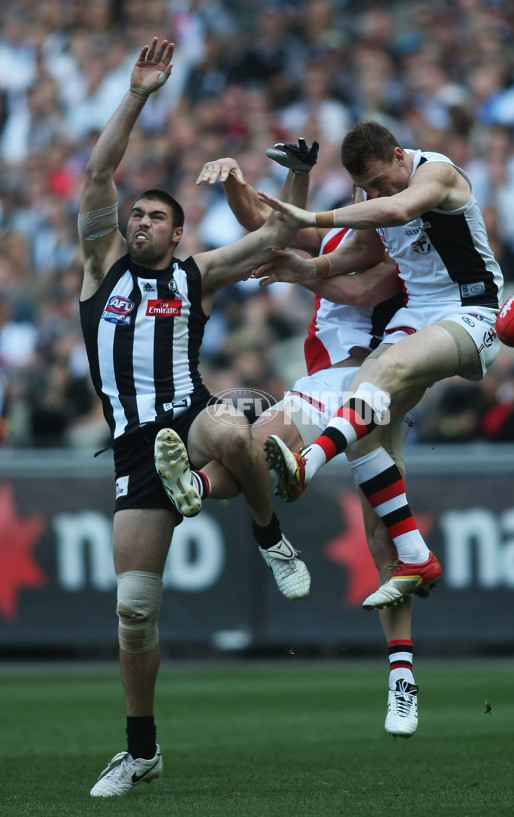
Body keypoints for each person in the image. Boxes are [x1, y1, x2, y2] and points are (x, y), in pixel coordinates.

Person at [78, 38, 315, 797]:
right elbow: (96, 172)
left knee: (234, 427)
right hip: (132, 450)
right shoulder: (100, 271)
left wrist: (298, 175)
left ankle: (270, 536)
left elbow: (280, 235)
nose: (141, 220)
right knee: (134, 613)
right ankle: (141, 750)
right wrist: (141, 93)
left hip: (191, 411)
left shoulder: (195, 272)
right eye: (136, 214)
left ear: (178, 233)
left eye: (156, 215)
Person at [195, 150, 422, 738]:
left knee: (378, 532)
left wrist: (303, 271)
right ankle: (191, 485)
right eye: (361, 187)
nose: (365, 195)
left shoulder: (395, 240)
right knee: (250, 449)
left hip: (371, 375)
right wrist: (236, 181)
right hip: (333, 385)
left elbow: (366, 290)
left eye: (374, 186)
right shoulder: (341, 228)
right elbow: (265, 226)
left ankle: (402, 678)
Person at [254, 120, 504, 611]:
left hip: (472, 313)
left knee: (382, 376)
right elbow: (362, 250)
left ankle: (308, 463)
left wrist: (317, 216)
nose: (374, 191)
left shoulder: (437, 173)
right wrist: (308, 269)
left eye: (377, 179)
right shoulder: (377, 192)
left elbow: (399, 207)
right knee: (364, 422)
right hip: (416, 318)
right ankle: (415, 555)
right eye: (363, 186)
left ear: (397, 155)